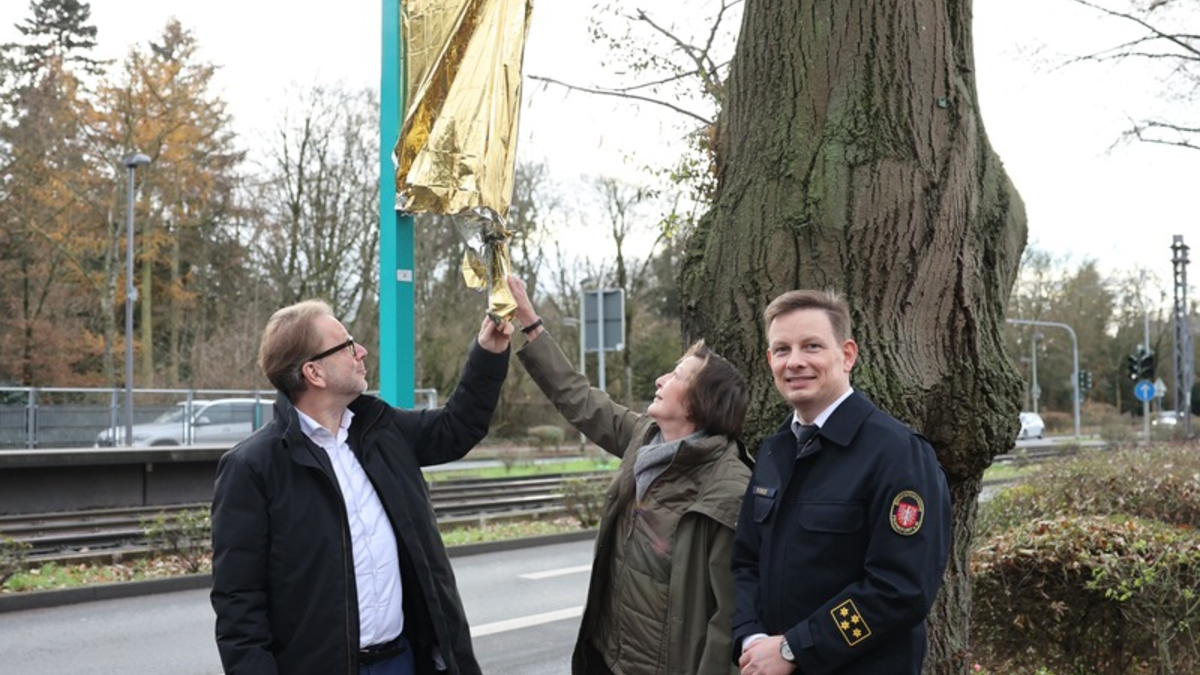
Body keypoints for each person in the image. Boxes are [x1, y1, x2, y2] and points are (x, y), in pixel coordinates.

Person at [210, 300, 513, 675]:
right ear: (314, 372)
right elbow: (239, 605)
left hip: (403, 661)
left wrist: (488, 353)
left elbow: (457, 427)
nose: (362, 351)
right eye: (348, 344)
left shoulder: (382, 431)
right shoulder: (253, 467)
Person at [507, 276, 751, 675]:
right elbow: (580, 399)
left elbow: (726, 623)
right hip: (606, 659)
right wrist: (531, 324)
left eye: (676, 376)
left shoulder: (727, 489)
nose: (661, 380)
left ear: (701, 402)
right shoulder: (645, 438)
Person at [732, 289, 951, 675]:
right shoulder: (774, 451)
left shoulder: (897, 453)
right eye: (781, 350)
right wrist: (751, 639)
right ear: (770, 360)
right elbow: (746, 562)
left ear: (847, 355)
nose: (794, 362)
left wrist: (792, 649)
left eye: (812, 346)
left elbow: (899, 589)